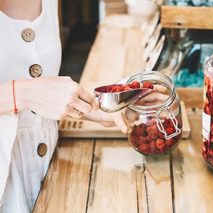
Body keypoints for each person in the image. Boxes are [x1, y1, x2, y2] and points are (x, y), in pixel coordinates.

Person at [0, 0, 127, 211]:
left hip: (48, 177)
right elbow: (30, 91)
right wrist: (24, 93)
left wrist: (97, 106)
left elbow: (42, 87)